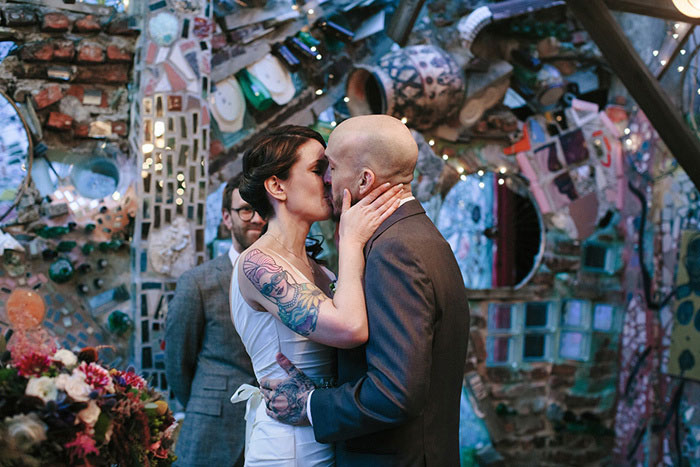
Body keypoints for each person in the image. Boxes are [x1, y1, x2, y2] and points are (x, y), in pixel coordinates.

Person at [260, 115, 470, 466]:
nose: (325, 179)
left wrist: (311, 404)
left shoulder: (394, 251)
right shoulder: (418, 235)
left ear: (364, 179)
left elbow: (395, 392)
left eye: (331, 167)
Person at [229, 125, 403, 466]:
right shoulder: (258, 263)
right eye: (317, 169)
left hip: (325, 432)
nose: (328, 179)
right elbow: (351, 328)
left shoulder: (318, 269)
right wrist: (352, 242)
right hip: (287, 447)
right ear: (277, 186)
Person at [165, 174, 266, 467]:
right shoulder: (197, 282)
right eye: (246, 209)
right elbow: (177, 362)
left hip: (272, 431)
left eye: (263, 210)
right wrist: (206, 400)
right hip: (212, 426)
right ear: (226, 217)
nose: (257, 218)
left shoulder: (290, 281)